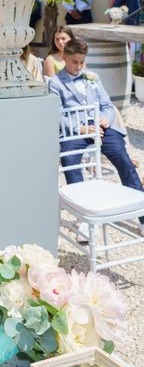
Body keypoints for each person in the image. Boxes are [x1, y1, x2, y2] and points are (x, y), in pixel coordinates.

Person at [49, 39, 144, 230]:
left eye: (82, 62)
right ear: (65, 58)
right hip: (75, 132)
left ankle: (142, 216)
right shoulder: (55, 83)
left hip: (101, 128)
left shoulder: (92, 77)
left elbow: (108, 105)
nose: (79, 66)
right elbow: (56, 114)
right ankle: (83, 221)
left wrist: (105, 119)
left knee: (123, 159)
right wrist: (81, 128)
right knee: (70, 162)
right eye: (74, 61)